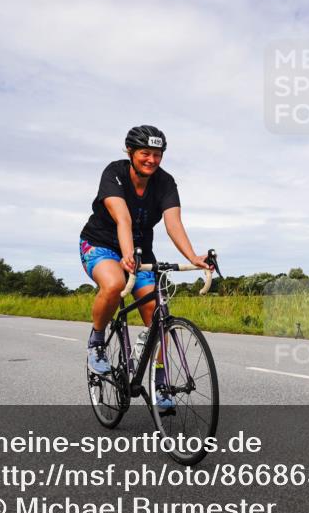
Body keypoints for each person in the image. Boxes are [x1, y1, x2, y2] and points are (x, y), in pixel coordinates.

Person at [78, 125, 211, 410]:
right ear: (130, 152)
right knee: (114, 284)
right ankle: (97, 341)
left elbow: (173, 223)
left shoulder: (165, 182)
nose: (152, 160)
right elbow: (123, 219)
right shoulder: (114, 173)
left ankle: (160, 384)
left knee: (157, 316)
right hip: (101, 244)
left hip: (140, 251)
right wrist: (127, 255)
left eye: (157, 154)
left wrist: (193, 257)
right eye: (145, 153)